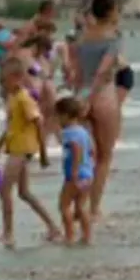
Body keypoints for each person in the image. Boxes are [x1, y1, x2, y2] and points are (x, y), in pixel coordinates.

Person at [0, 57, 59, 249]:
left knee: (5, 190)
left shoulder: (24, 98)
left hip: (23, 149)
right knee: (24, 192)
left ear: (16, 78)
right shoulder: (13, 98)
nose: (1, 85)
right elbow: (11, 125)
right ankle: (53, 227)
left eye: (3, 81)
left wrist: (43, 153)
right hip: (15, 147)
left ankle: (8, 234)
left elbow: (38, 122)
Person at [70, 0, 121, 223]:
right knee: (104, 157)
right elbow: (103, 71)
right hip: (103, 97)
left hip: (80, 95)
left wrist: (80, 99)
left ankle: (77, 205)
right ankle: (93, 209)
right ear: (111, 12)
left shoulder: (81, 40)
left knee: (84, 157)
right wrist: (92, 98)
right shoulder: (113, 39)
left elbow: (77, 75)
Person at [56, 96, 94, 245]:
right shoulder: (83, 131)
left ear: (65, 115)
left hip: (74, 176)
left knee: (64, 205)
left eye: (58, 116)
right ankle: (87, 236)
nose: (57, 120)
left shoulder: (68, 133)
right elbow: (91, 150)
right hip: (87, 175)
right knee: (80, 206)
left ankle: (69, 236)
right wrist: (88, 167)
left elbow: (76, 149)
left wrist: (74, 171)